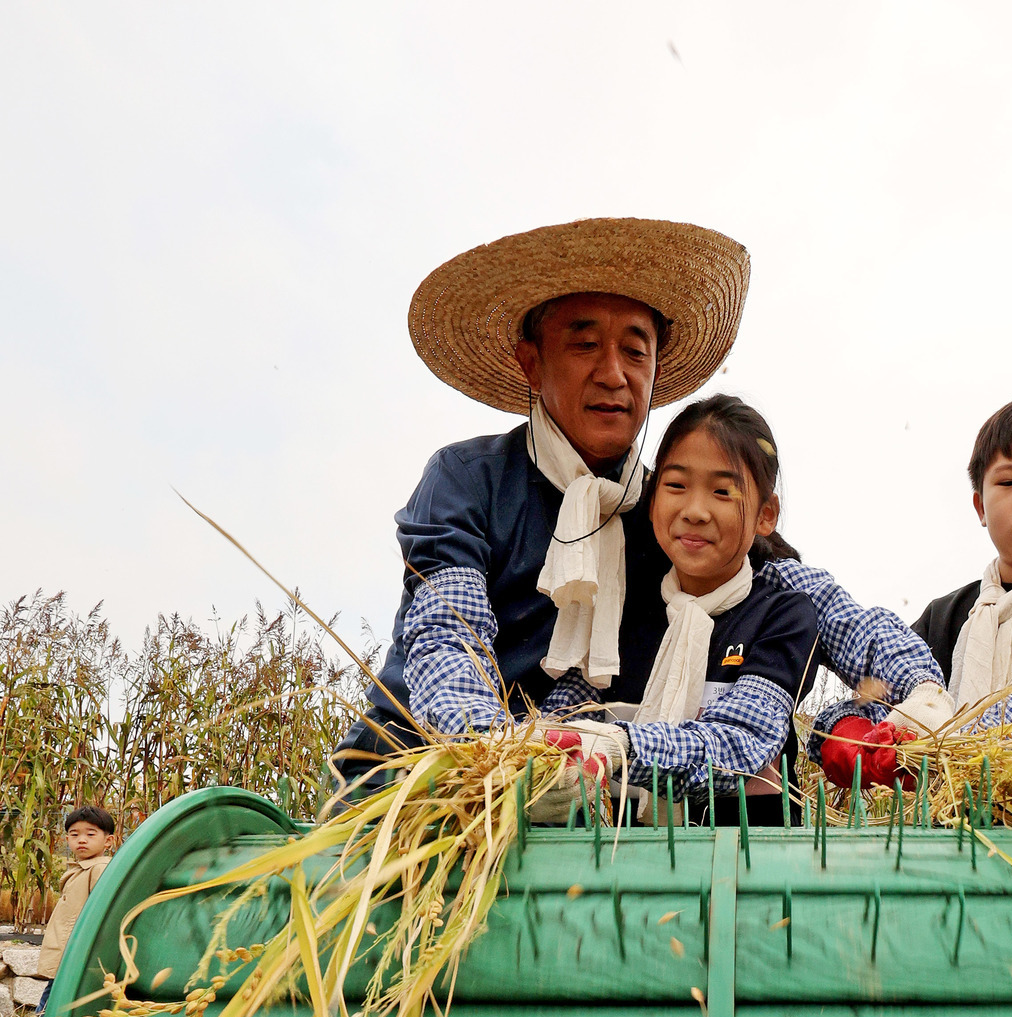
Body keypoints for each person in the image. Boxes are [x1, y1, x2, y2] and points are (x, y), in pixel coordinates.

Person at [334, 216, 942, 790]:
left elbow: (811, 601)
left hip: (574, 789)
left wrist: (919, 691)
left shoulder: (668, 509)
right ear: (531, 361)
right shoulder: (467, 479)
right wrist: (495, 756)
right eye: (584, 345)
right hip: (424, 777)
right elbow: (448, 637)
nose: (613, 374)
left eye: (634, 350)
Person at [818, 392, 1012, 788]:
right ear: (980, 507)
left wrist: (934, 744)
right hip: (949, 832)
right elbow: (895, 696)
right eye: (1007, 481)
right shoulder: (946, 615)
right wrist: (848, 729)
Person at [539, 395, 816, 824]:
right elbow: (568, 712)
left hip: (748, 871)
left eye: (723, 491)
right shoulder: (619, 606)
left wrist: (618, 747)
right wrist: (539, 751)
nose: (695, 511)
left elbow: (739, 745)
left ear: (766, 515)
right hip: (619, 867)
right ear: (652, 500)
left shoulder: (783, 616)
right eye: (676, 486)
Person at [34, 804, 116, 1009]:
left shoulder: (100, 869)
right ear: (67, 839)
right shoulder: (81, 869)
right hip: (68, 949)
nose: (81, 839)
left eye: (90, 834)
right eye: (74, 834)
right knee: (55, 993)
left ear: (108, 841)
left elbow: (104, 911)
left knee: (54, 999)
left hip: (76, 950)